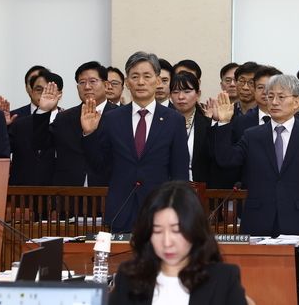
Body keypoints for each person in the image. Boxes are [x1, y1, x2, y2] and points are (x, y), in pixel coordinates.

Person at [81, 51, 189, 232]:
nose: (140, 82)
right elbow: (99, 167)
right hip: (121, 210)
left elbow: (180, 172)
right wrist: (89, 134)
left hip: (161, 211)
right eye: (135, 76)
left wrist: (178, 210)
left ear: (157, 80)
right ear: (127, 82)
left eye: (147, 76)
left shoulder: (174, 120)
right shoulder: (112, 118)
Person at [209, 75, 299, 236]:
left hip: (298, 220)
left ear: (296, 102)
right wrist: (223, 123)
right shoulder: (253, 135)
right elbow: (226, 160)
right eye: (270, 96)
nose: (274, 102)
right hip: (258, 220)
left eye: (281, 96)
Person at [109, 181, 247, 305]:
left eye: (176, 231)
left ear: (194, 229)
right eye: (157, 231)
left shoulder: (223, 279)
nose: (167, 242)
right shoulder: (129, 278)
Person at [34, 61, 118, 187]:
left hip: (107, 191)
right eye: (82, 82)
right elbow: (40, 143)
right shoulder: (64, 117)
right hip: (69, 194)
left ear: (106, 85)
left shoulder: (119, 116)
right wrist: (43, 111)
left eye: (93, 81)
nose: (87, 86)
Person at [8, 71, 63, 186]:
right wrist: (0, 126)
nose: (44, 94)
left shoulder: (69, 121)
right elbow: (3, 153)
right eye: (39, 90)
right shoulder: (19, 123)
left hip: (61, 193)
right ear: (31, 92)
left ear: (60, 94)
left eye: (50, 90)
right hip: (25, 194)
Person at [169, 72, 210, 183]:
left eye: (187, 91)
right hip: (169, 188)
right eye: (175, 92)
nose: (181, 97)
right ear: (170, 95)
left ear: (198, 94)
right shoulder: (162, 123)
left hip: (200, 189)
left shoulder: (208, 125)